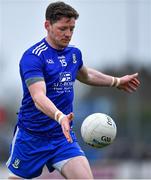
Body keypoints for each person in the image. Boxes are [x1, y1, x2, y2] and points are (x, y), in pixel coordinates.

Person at [6, 1, 140, 179]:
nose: (68, 34)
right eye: (63, 28)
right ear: (47, 25)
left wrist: (116, 81)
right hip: (31, 138)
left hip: (63, 137)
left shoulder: (74, 54)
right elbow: (38, 97)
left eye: (72, 29)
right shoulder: (33, 57)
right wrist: (60, 116)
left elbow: (86, 75)